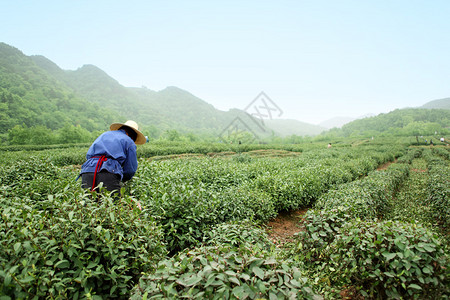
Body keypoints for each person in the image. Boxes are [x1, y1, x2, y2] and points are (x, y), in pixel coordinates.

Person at [79, 120, 146, 197]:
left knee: (89, 202)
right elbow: (130, 169)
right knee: (111, 203)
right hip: (108, 171)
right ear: (133, 135)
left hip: (87, 170)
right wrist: (123, 178)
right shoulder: (129, 141)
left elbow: (89, 156)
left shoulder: (104, 135)